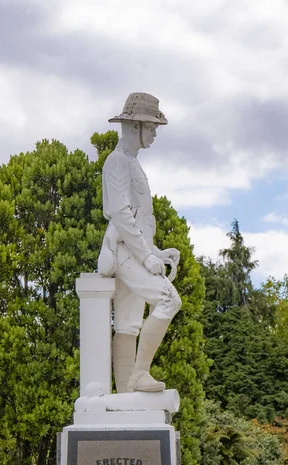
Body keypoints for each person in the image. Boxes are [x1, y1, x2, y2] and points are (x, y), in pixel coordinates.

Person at [98, 92, 181, 394]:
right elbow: (121, 214)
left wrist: (156, 251)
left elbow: (137, 218)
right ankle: (138, 375)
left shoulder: (130, 163)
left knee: (128, 324)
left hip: (133, 250)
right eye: (152, 125)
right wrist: (147, 257)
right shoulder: (117, 162)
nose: (156, 133)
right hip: (125, 252)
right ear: (136, 126)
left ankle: (126, 397)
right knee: (169, 300)